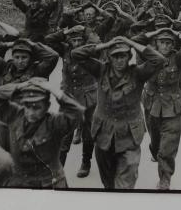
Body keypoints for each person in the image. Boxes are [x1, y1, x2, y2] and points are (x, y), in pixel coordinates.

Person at [71, 36, 166, 189]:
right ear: (109, 57)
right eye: (115, 56)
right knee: (108, 183)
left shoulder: (138, 73)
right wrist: (105, 44)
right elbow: (75, 54)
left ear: (129, 57)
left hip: (129, 136)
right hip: (103, 135)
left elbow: (160, 60)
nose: (119, 60)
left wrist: (132, 43)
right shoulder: (100, 70)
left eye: (123, 56)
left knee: (125, 185)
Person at [0, 77, 84, 188]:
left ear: (47, 106)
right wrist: (19, 86)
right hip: (19, 181)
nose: (31, 112)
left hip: (49, 183)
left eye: (37, 108)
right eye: (27, 106)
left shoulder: (54, 123)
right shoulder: (15, 115)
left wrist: (56, 91)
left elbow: (77, 113)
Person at [141, 28, 181, 190]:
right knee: (156, 141)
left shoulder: (177, 58)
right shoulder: (148, 56)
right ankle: (155, 150)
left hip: (171, 106)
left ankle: (165, 179)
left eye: (168, 43)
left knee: (168, 146)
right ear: (156, 44)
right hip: (151, 104)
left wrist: (175, 31)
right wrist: (155, 31)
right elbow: (136, 40)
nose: (165, 46)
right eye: (162, 42)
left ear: (172, 45)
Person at [0, 38, 59, 150]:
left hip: (27, 122)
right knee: (6, 152)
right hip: (5, 122)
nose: (20, 61)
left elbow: (53, 56)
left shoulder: (38, 70)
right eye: (16, 57)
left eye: (24, 57)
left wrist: (32, 44)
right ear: (12, 57)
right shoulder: (6, 68)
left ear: (30, 58)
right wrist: (9, 44)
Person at [45, 25, 98, 177]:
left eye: (79, 40)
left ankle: (85, 162)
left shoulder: (91, 50)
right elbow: (48, 40)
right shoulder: (65, 50)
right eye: (73, 40)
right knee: (64, 133)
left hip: (89, 97)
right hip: (69, 97)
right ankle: (59, 168)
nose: (76, 43)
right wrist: (66, 31)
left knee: (88, 133)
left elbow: (96, 41)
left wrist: (87, 29)